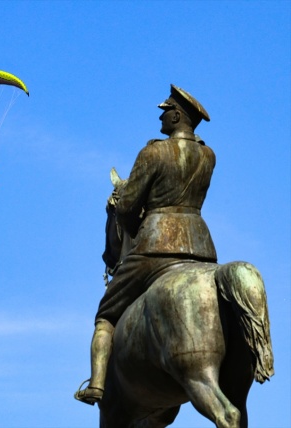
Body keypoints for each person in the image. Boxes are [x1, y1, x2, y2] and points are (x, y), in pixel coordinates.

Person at [75, 85, 218, 405]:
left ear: (178, 116)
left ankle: (97, 384)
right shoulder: (209, 156)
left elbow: (125, 207)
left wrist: (132, 222)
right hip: (203, 251)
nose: (161, 114)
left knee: (106, 315)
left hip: (156, 246)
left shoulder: (153, 152)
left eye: (166, 110)